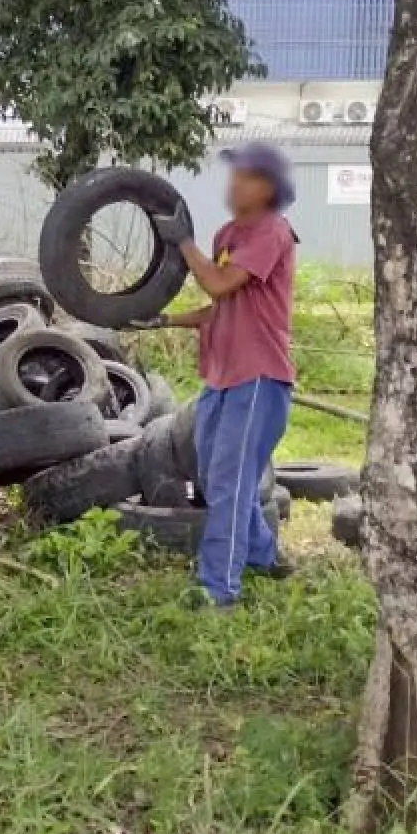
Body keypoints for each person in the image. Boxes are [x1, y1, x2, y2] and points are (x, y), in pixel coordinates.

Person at [131, 142, 298, 609]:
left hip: (259, 379)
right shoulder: (230, 234)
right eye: (233, 175)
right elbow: (218, 306)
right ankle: (265, 556)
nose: (233, 184)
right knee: (214, 474)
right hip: (222, 379)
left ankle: (218, 588)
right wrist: (161, 320)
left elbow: (219, 282)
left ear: (267, 187)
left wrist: (182, 242)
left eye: (244, 177)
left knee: (229, 479)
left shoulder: (272, 231)